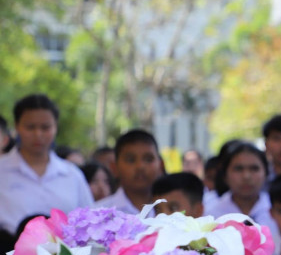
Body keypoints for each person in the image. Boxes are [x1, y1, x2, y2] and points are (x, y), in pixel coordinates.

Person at [0, 94, 93, 236]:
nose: (38, 134)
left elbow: (90, 222)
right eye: (30, 127)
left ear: (56, 127)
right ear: (17, 126)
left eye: (45, 127)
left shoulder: (72, 175)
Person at [205, 142, 278, 238]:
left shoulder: (279, 211)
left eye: (254, 168)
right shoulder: (211, 215)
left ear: (266, 173)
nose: (246, 176)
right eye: (238, 169)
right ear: (225, 175)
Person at [94, 129, 163, 215]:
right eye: (130, 160)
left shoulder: (173, 212)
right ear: (114, 168)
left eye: (148, 159)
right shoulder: (98, 214)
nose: (140, 166)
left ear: (161, 166)